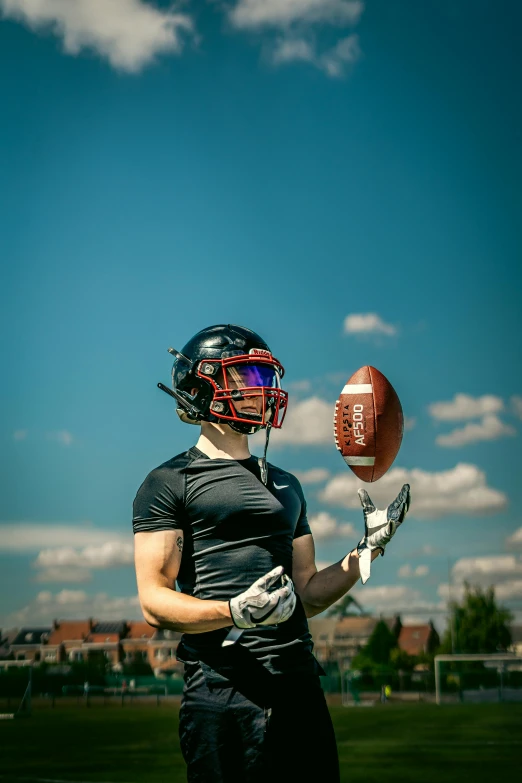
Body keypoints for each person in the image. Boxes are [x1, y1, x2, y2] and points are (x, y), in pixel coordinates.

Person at [133, 324, 410, 783]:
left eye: (267, 377)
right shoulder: (168, 482)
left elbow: (309, 592)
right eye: (251, 377)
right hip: (224, 689)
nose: (266, 389)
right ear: (204, 383)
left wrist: (367, 550)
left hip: (299, 686)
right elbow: (153, 601)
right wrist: (234, 611)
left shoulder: (287, 484)